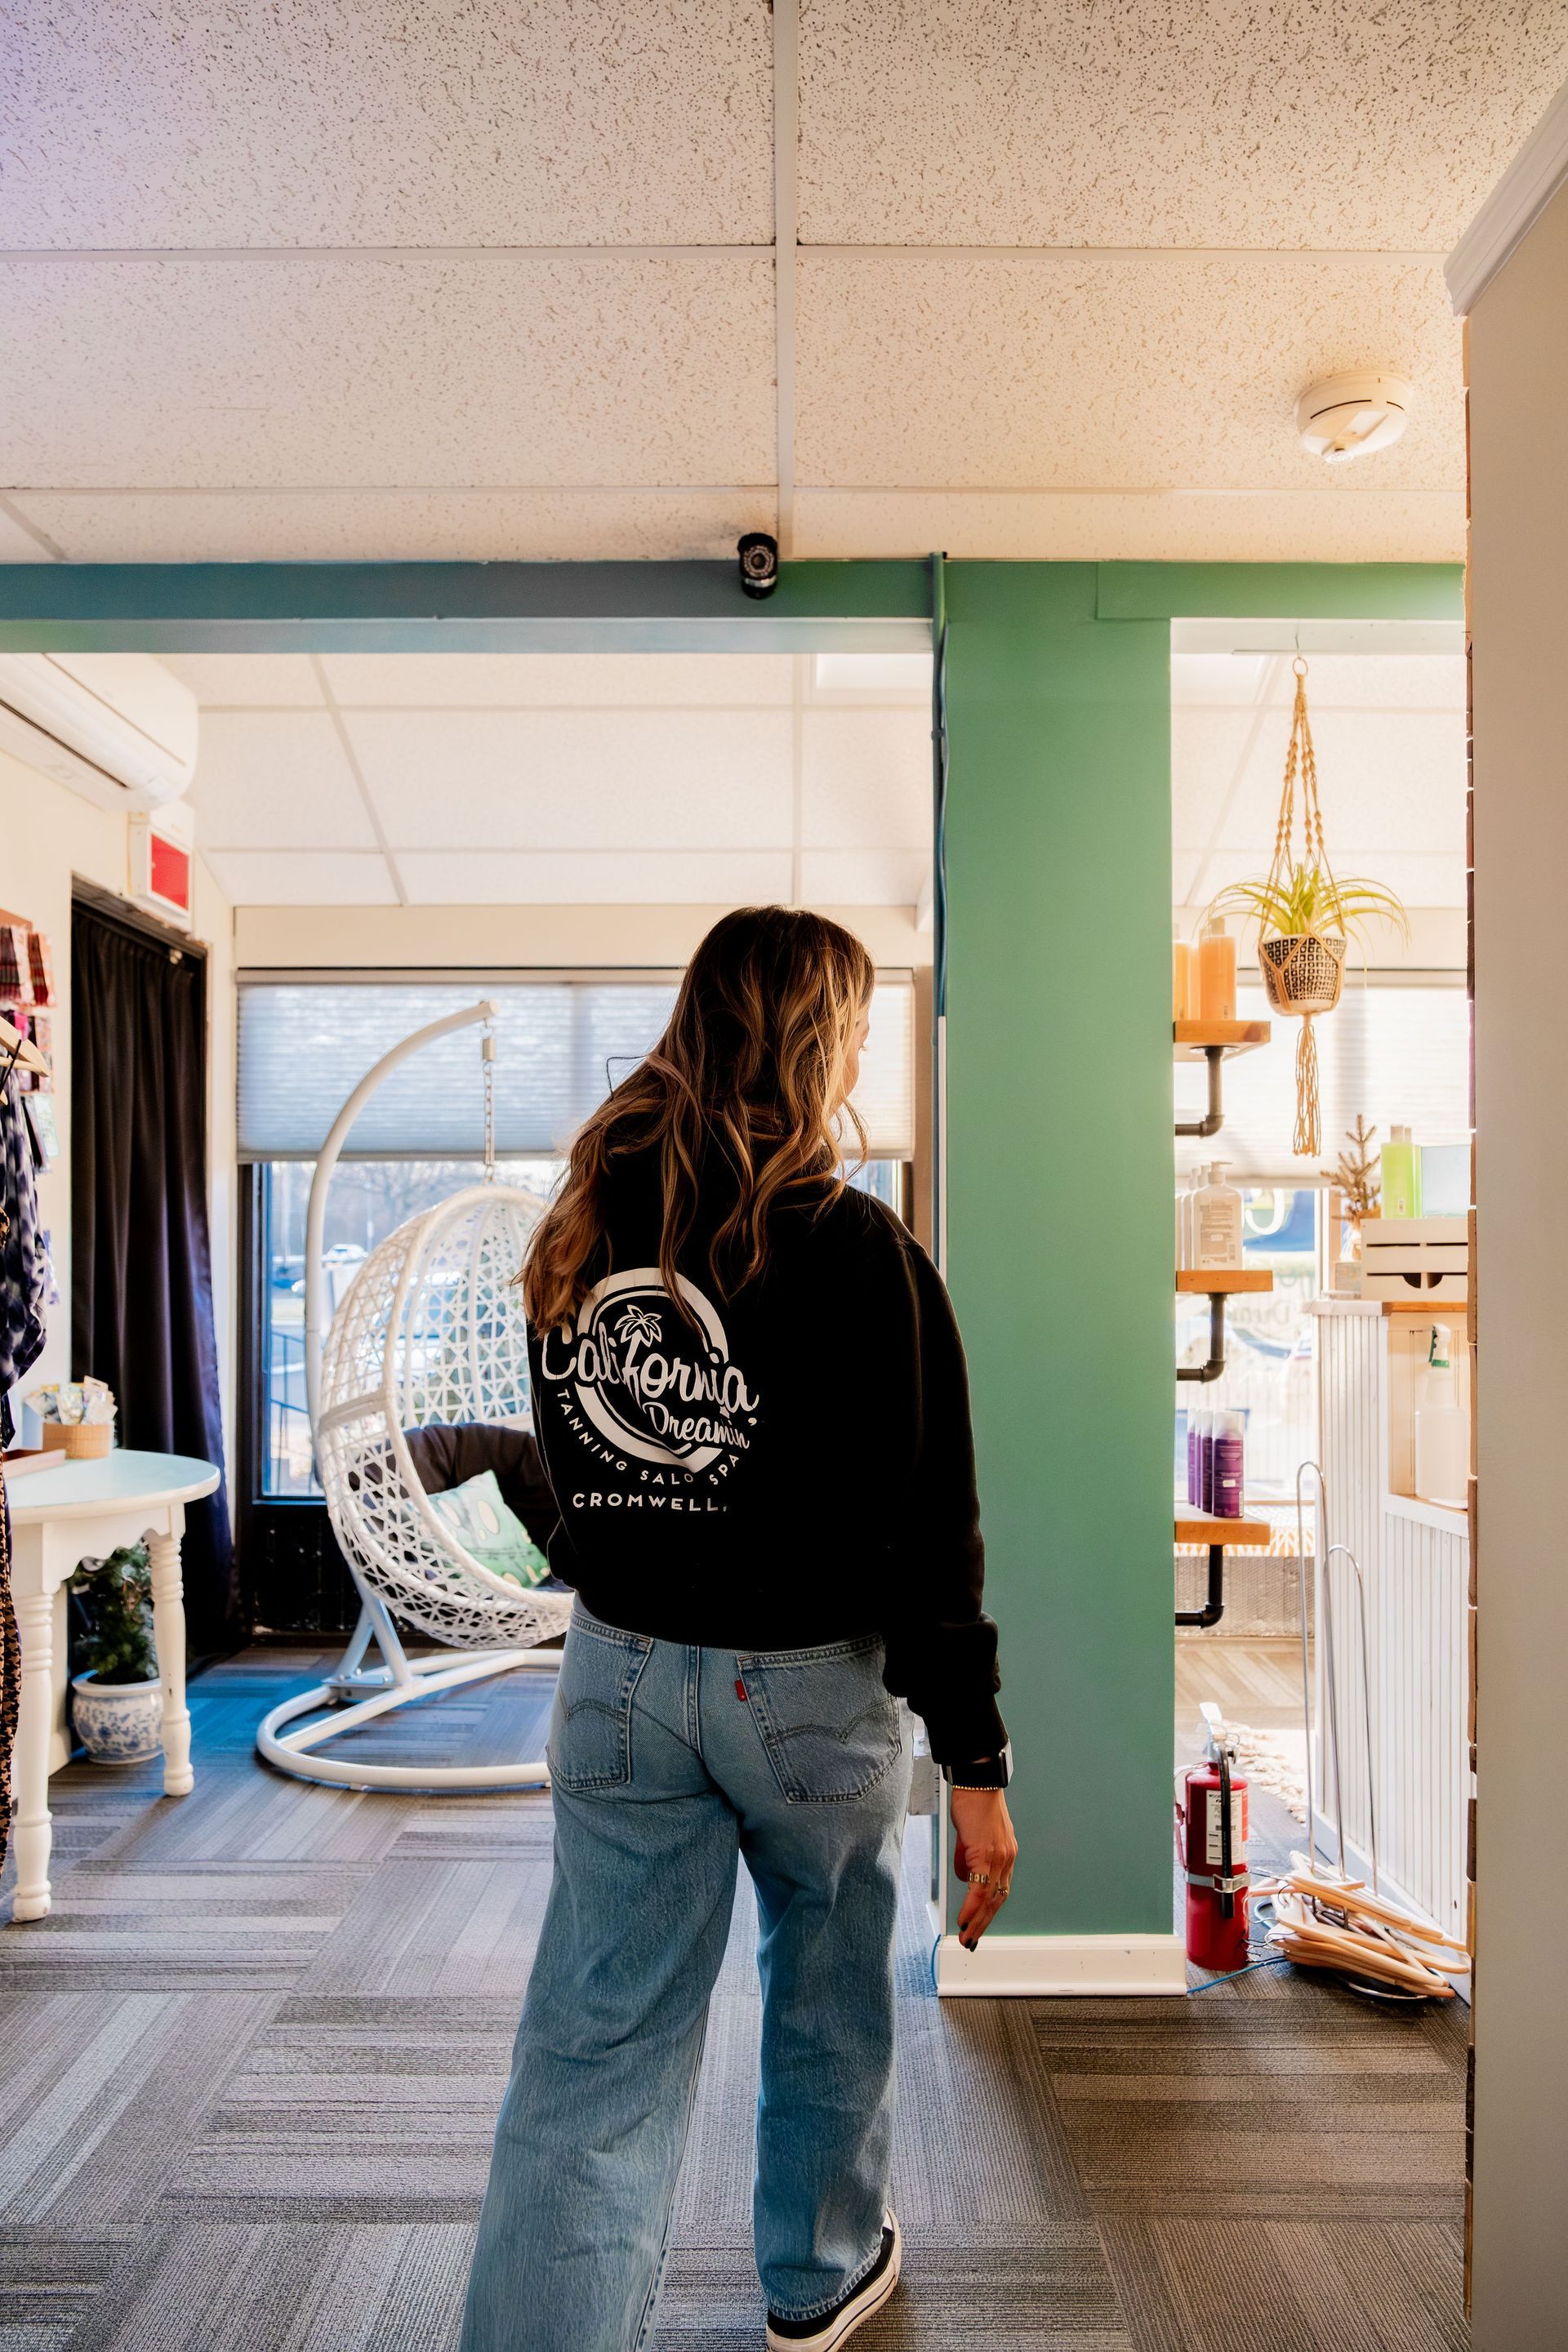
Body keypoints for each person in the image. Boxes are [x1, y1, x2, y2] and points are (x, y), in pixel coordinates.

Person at [461, 906, 1016, 2352]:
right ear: (822, 1040)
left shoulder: (583, 1228)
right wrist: (979, 1763)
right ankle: (818, 2277)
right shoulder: (859, 1253)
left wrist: (622, 1574)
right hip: (808, 1694)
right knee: (828, 1990)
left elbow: (571, 1464)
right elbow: (928, 1530)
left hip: (617, 1679)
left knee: (596, 2047)